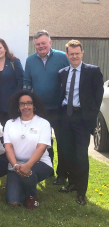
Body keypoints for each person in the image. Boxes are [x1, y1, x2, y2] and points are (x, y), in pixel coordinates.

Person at [57, 40, 104, 205]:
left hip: (82, 119)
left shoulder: (93, 71)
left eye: (77, 53)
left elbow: (98, 96)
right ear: (67, 55)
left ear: (82, 53)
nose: (75, 56)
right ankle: (72, 183)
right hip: (65, 117)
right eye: (71, 54)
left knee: (81, 155)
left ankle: (81, 192)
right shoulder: (62, 72)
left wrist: (90, 116)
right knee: (68, 153)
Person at [23, 30, 70, 184]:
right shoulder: (30, 61)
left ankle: (62, 174)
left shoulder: (62, 57)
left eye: (44, 43)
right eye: (37, 44)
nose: (41, 46)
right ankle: (47, 169)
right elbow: (27, 82)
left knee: (63, 141)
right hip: (40, 109)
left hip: (59, 107)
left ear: (50, 42)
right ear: (34, 45)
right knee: (43, 141)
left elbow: (71, 78)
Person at [4, 90, 53, 210]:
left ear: (34, 105)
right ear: (18, 106)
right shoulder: (10, 123)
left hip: (40, 164)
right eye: (22, 104)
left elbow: (41, 148)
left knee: (28, 173)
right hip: (15, 166)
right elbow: (8, 147)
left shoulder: (43, 123)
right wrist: (15, 165)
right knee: (14, 201)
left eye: (29, 103)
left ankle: (32, 196)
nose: (26, 106)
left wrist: (28, 166)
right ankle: (25, 187)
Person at [0, 38, 24, 127]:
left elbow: (21, 82)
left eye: (0, 48)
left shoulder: (14, 62)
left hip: (10, 106)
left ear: (5, 49)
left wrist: (15, 99)